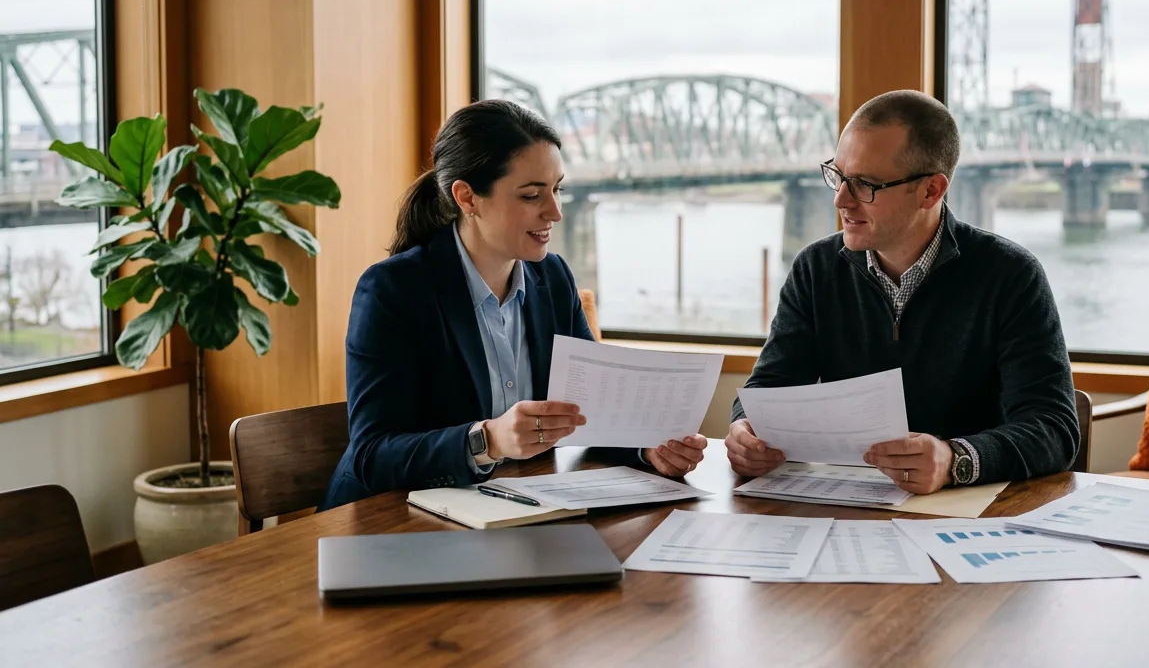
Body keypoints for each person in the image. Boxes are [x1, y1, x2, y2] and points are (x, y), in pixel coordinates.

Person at [320, 100, 706, 510]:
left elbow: (591, 410)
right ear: (467, 198)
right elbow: (372, 456)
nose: (555, 212)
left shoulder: (553, 278)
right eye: (531, 195)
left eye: (557, 188)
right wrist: (488, 440)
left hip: (506, 511)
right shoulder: (392, 290)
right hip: (388, 522)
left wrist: (646, 447)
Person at [724, 90, 1078, 494]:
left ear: (931, 191)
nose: (841, 199)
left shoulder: (1012, 275)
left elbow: (1053, 429)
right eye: (838, 175)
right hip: (843, 506)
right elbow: (770, 388)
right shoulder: (815, 269)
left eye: (865, 185)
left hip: (970, 519)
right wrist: (743, 430)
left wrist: (955, 460)